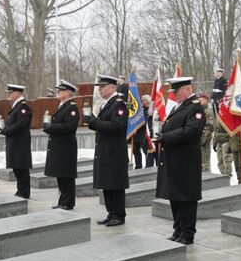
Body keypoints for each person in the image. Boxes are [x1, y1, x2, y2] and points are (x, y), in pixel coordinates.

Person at [156, 76, 206, 244]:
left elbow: (191, 131)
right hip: (174, 159)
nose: (174, 95)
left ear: (187, 90)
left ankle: (187, 232)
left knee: (186, 198)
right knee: (175, 196)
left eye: (176, 91)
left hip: (186, 161)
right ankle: (178, 229)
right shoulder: (178, 107)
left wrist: (166, 137)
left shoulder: (195, 108)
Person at [87, 74, 130, 226]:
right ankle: (111, 212)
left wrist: (96, 122)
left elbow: (118, 127)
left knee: (115, 184)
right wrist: (92, 122)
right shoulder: (107, 104)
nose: (99, 90)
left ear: (112, 88)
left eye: (102, 87)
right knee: (107, 183)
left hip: (114, 152)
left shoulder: (119, 104)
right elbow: (103, 126)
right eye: (99, 87)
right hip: (105, 150)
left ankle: (119, 214)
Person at [43, 79, 80, 210]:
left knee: (66, 176)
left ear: (69, 93)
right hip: (59, 146)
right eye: (58, 90)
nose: (58, 91)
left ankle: (67, 202)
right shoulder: (62, 106)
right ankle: (63, 201)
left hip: (66, 147)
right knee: (61, 175)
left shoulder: (72, 107)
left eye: (61, 90)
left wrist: (50, 127)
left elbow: (69, 126)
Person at [0, 83, 32, 199]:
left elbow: (21, 124)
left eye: (10, 92)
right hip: (15, 142)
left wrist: (6, 131)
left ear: (17, 93)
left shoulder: (23, 106)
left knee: (21, 168)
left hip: (20, 143)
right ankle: (20, 190)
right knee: (17, 168)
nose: (9, 94)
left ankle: (24, 192)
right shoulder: (17, 106)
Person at [132, 94, 156, 169]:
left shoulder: (150, 111)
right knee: (135, 151)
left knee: (147, 151)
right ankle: (138, 165)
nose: (141, 102)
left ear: (146, 102)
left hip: (146, 134)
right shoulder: (139, 110)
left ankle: (149, 166)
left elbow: (146, 121)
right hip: (137, 134)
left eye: (143, 101)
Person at [199, 92, 214, 172]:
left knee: (205, 162)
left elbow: (210, 127)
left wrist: (205, 139)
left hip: (205, 140)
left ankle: (207, 176)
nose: (200, 101)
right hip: (198, 139)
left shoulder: (208, 111)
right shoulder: (198, 111)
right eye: (199, 100)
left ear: (206, 101)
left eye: (202, 100)